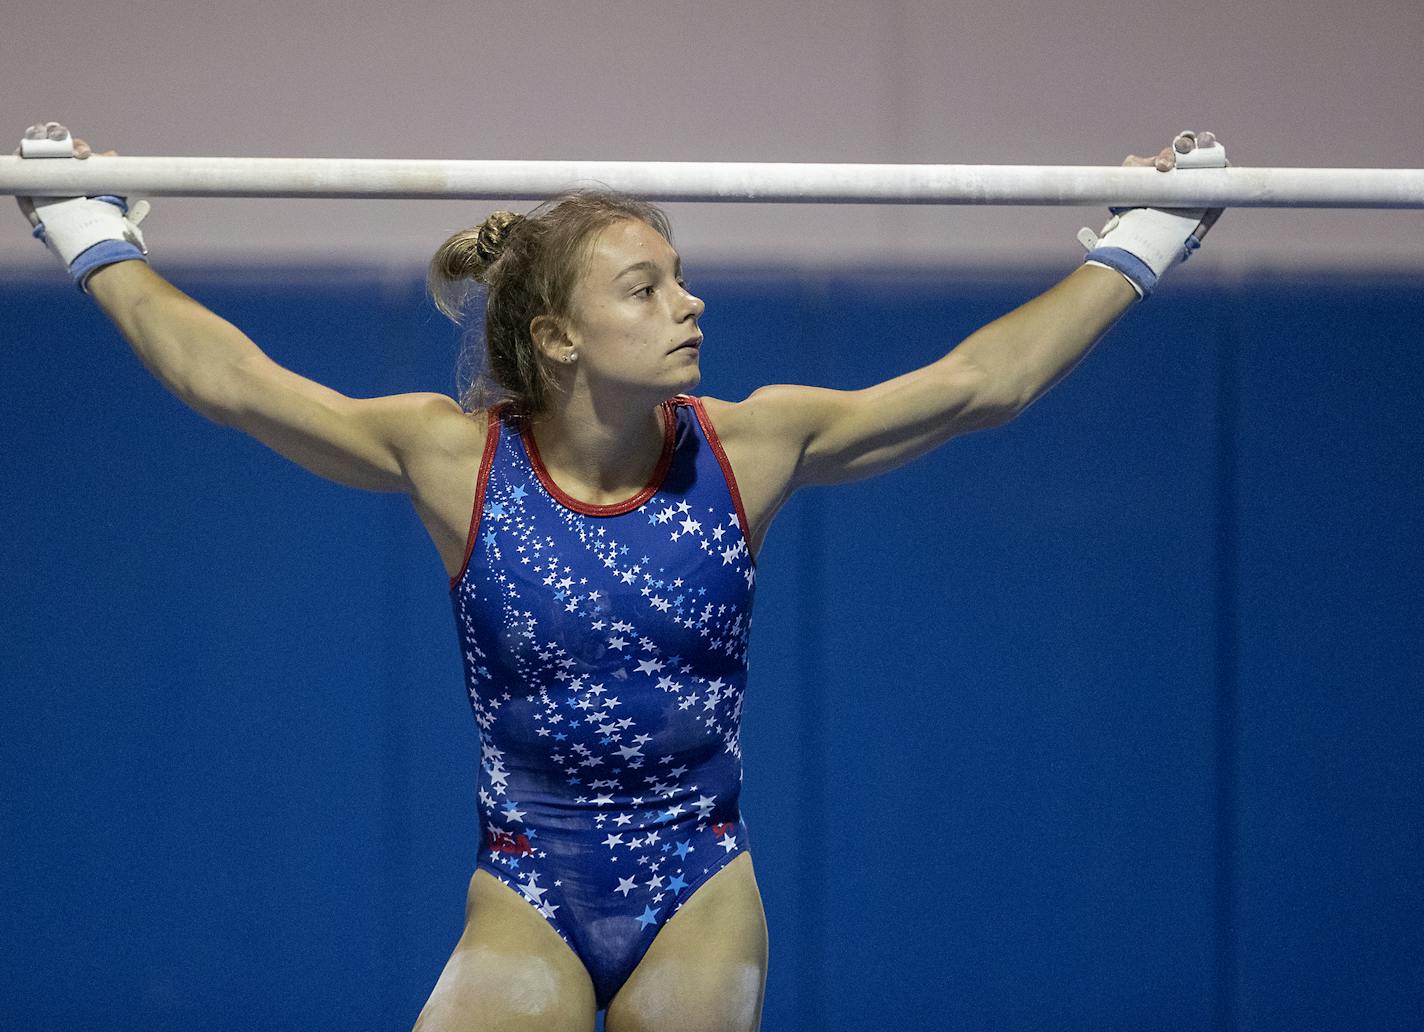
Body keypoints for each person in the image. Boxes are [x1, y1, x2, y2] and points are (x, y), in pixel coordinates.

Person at [14, 122, 1225, 1032]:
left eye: (679, 276)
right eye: (643, 289)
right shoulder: (455, 462)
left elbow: (979, 384)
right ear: (556, 335)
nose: (687, 302)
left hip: (698, 884)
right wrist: (90, 231)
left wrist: (1141, 238)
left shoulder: (746, 448)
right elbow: (227, 381)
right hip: (528, 883)